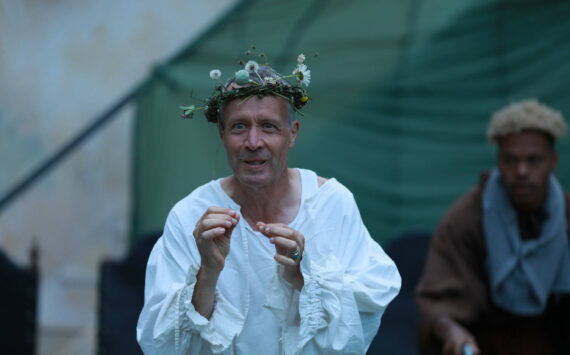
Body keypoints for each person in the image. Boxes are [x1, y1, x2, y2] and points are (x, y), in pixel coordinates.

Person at [136, 53, 401, 354]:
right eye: (238, 127)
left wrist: (304, 275)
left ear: (292, 134)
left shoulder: (330, 205)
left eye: (268, 126)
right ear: (221, 134)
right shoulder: (191, 217)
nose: (253, 142)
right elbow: (161, 344)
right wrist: (207, 274)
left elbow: (367, 307)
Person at [416, 99, 570, 355]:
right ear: (498, 161)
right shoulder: (465, 219)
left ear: (552, 162)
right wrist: (451, 331)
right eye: (511, 160)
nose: (521, 171)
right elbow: (437, 303)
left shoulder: (567, 216)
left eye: (534, 160)